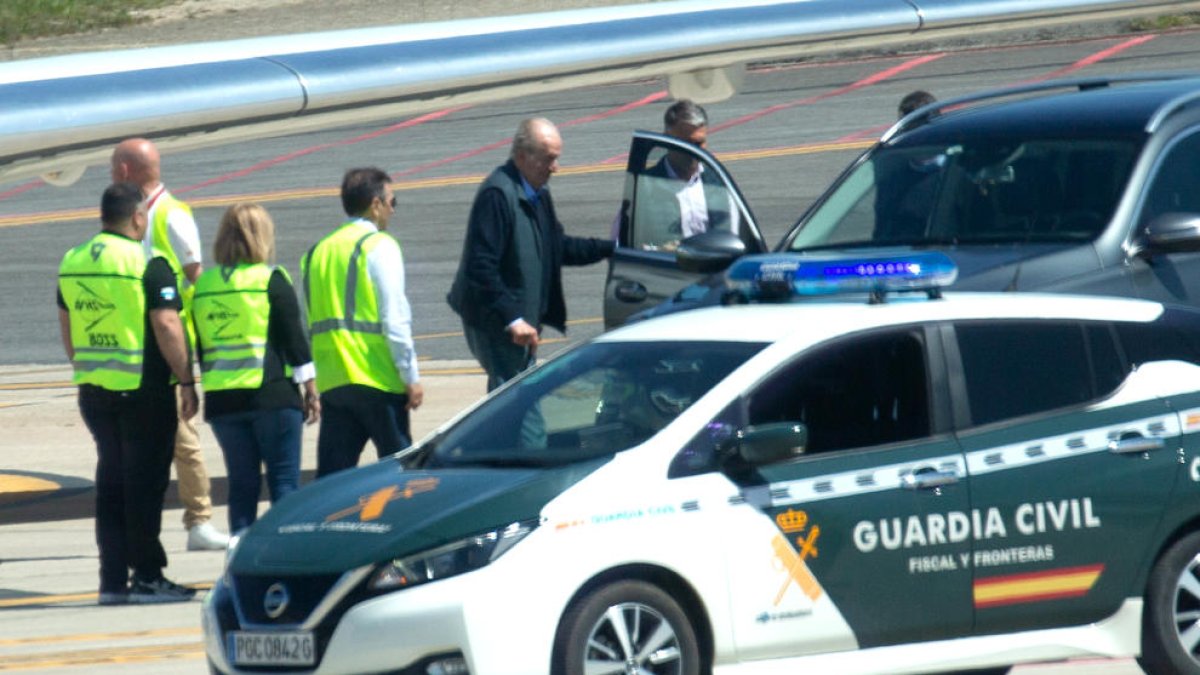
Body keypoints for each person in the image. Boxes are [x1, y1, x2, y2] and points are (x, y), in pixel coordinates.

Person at [57, 182, 198, 604]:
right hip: (143, 390)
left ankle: (113, 581)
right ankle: (149, 577)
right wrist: (187, 379)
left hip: (95, 390)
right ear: (138, 218)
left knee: (112, 483)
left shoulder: (73, 259)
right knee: (145, 486)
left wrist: (86, 367)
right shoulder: (147, 262)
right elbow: (167, 324)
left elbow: (67, 324)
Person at [110, 138, 229, 551]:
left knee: (183, 437)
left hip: (169, 341)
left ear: (125, 171)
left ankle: (199, 521)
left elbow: (198, 277)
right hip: (137, 341)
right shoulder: (130, 213)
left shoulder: (172, 215)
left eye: (113, 167)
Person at [448, 117, 615, 391]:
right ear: (522, 156)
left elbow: (557, 246)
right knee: (519, 411)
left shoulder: (537, 193)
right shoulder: (498, 195)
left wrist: (610, 248)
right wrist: (513, 319)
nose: (555, 168)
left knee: (510, 405)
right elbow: (480, 268)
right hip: (499, 325)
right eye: (549, 159)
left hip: (521, 324)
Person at [192, 203, 320, 534]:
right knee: (284, 486)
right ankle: (285, 565)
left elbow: (201, 345)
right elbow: (294, 339)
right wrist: (311, 389)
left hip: (222, 401)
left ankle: (239, 567)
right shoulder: (271, 279)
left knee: (242, 487)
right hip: (271, 396)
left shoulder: (204, 285)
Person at [301, 167, 423, 478]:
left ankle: (327, 527)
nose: (393, 210)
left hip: (334, 382)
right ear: (375, 204)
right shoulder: (379, 246)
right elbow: (394, 320)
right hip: (377, 377)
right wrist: (410, 376)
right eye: (393, 202)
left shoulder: (317, 253)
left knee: (332, 481)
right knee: (402, 476)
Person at [615, 99, 739, 249]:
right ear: (666, 140)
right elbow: (619, 247)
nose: (692, 151)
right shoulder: (643, 189)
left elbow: (734, 243)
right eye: (685, 144)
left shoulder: (720, 186)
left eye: (699, 144)